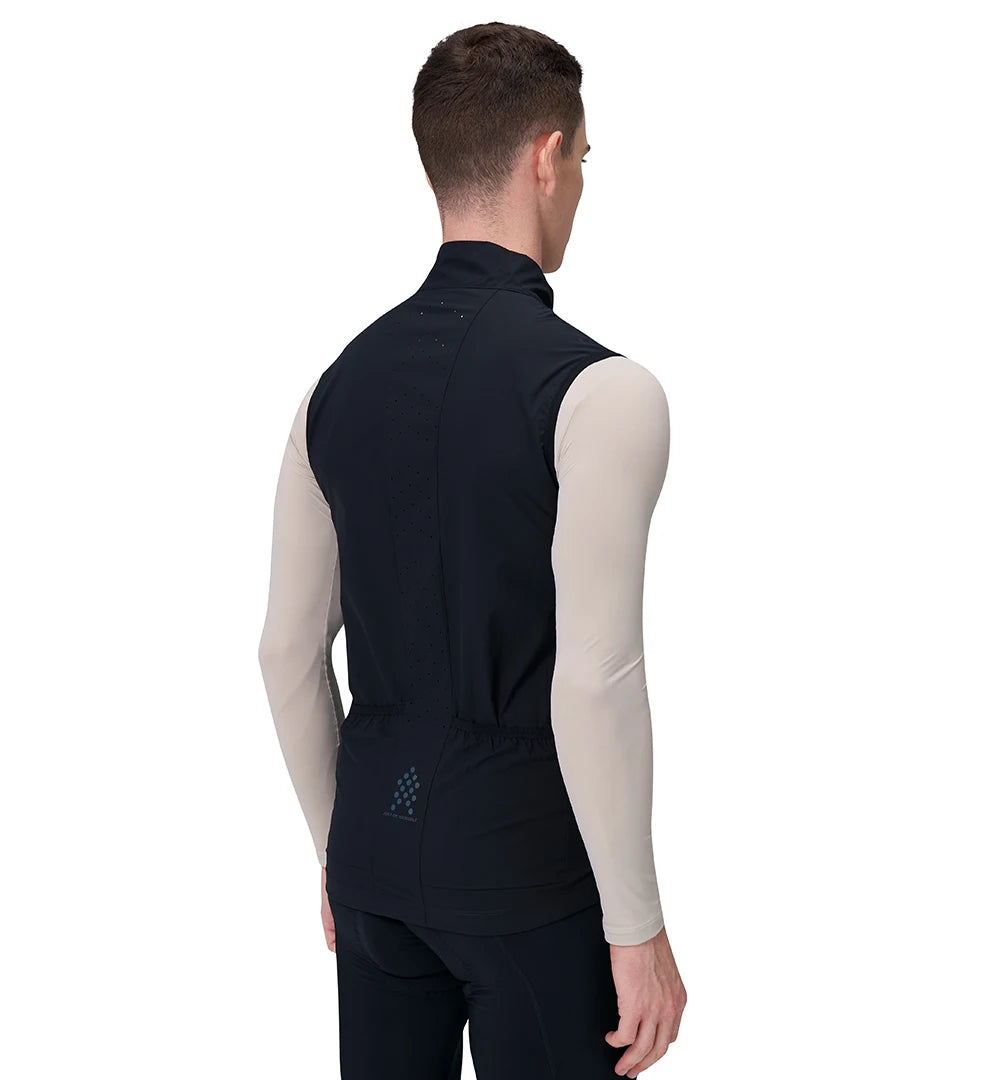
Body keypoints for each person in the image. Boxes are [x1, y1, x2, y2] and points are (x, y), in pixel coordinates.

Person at [258, 20, 687, 1079]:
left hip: (372, 860)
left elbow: (286, 653)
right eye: (582, 159)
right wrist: (636, 925)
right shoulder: (602, 393)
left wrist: (339, 849)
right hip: (524, 874)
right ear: (547, 156)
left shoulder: (331, 391)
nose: (578, 185)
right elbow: (595, 680)